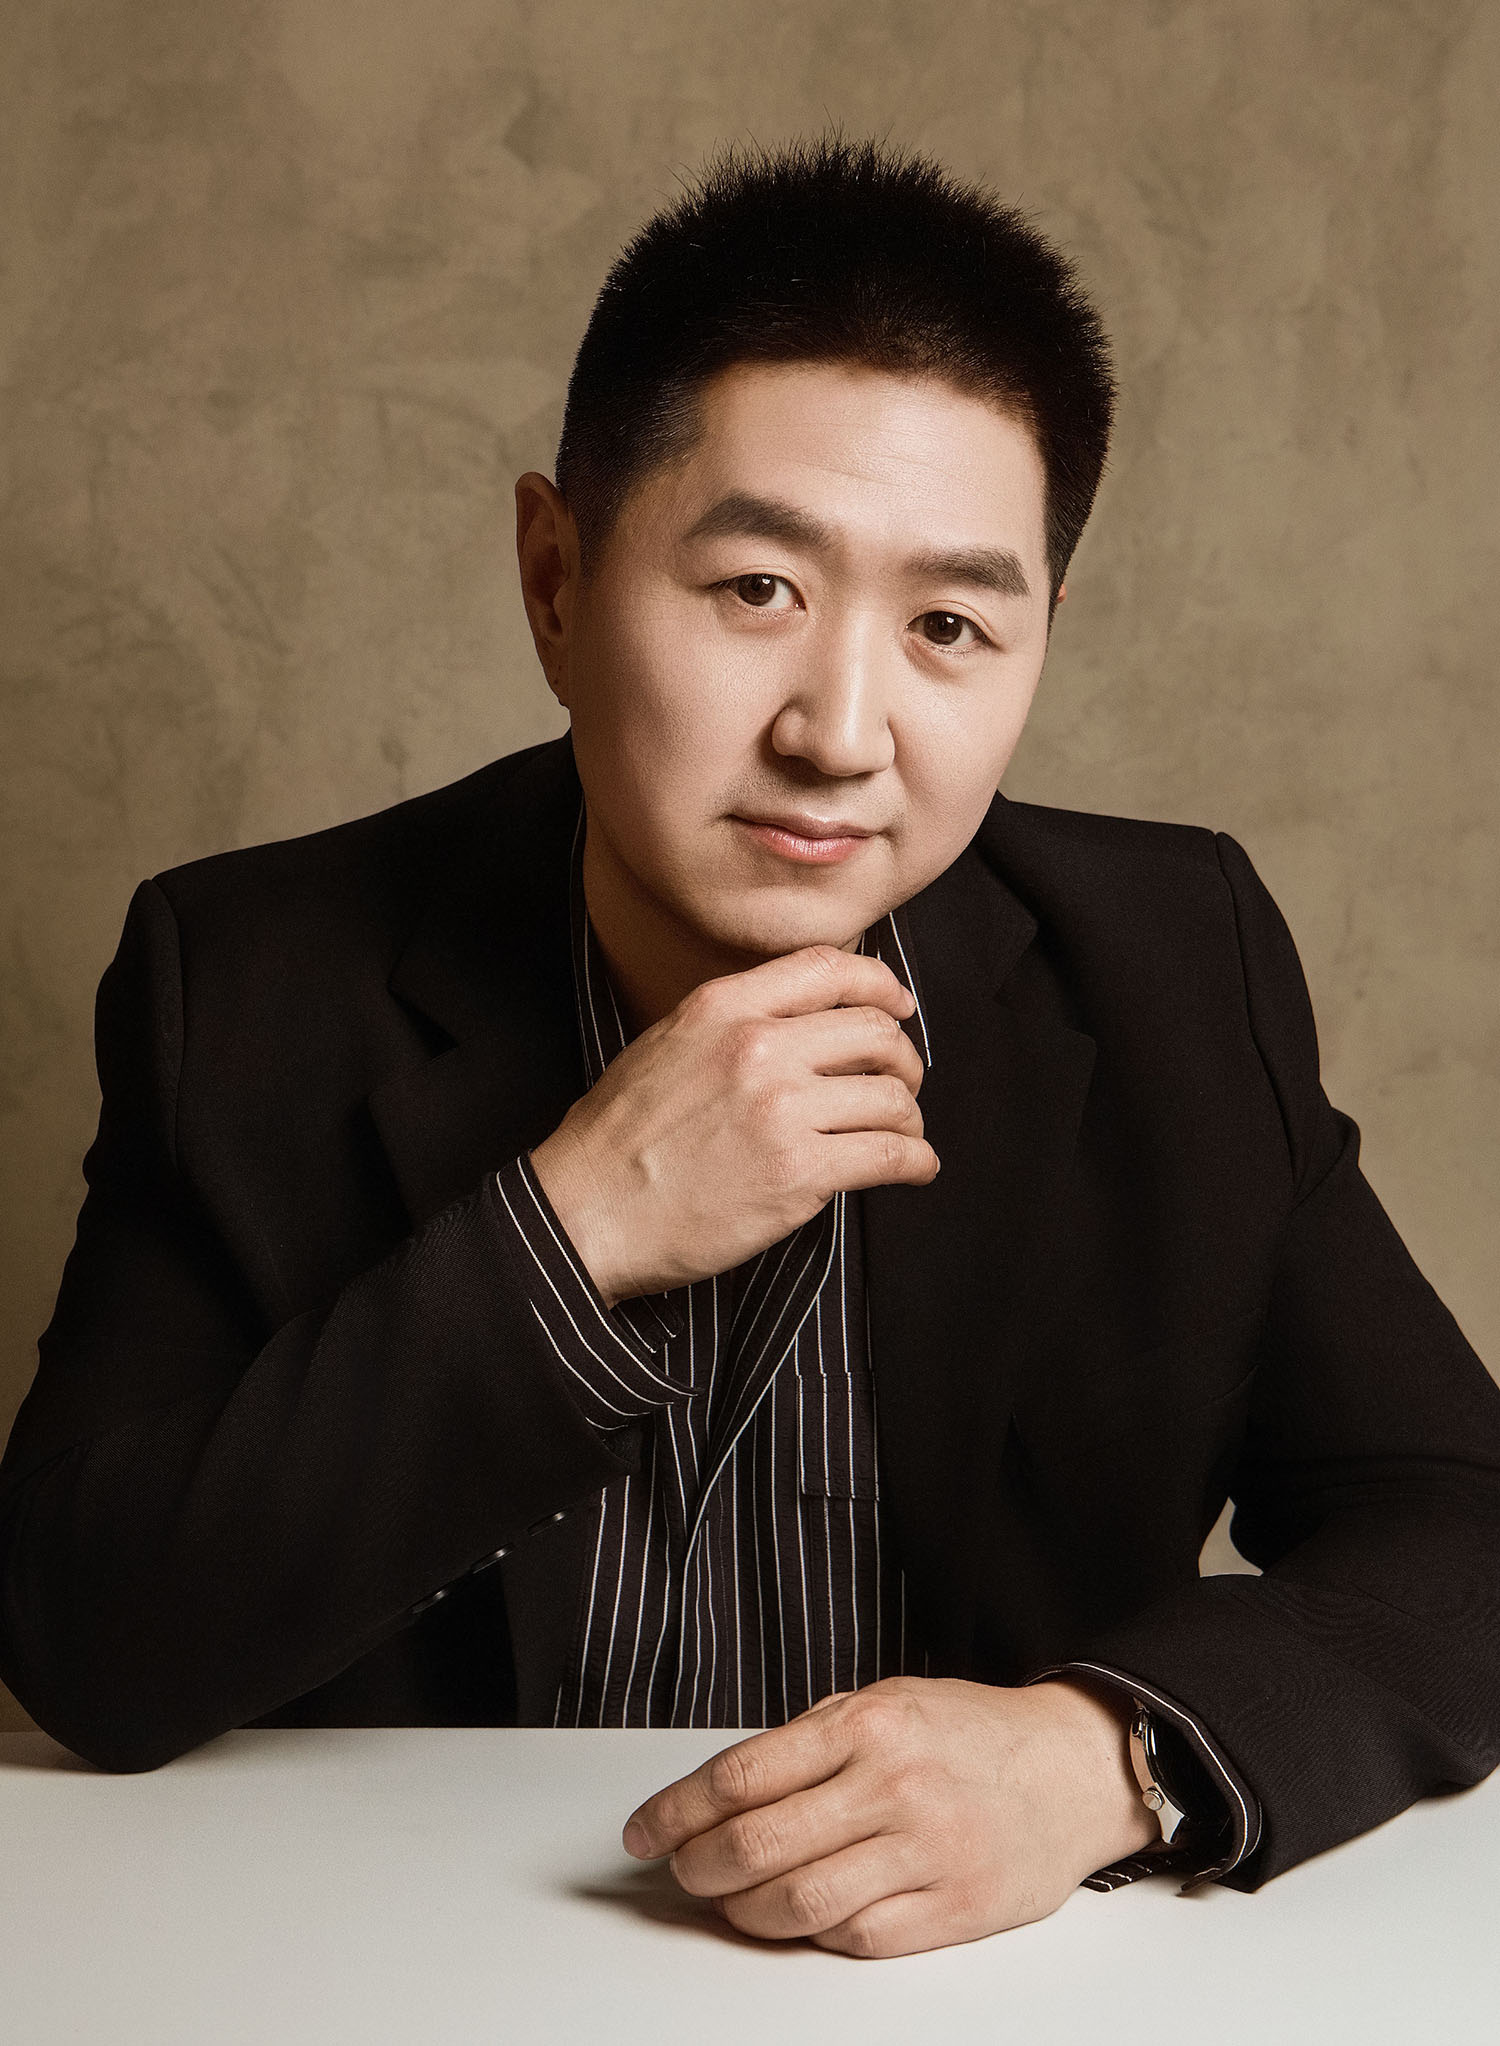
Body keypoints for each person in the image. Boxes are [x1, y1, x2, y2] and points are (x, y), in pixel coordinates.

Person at [2, 136, 1497, 1962]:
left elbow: (1459, 1527)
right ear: (556, 578)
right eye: (757, 590)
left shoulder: (1177, 962)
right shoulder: (251, 979)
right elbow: (85, 1634)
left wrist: (1098, 1757)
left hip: (987, 1987)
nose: (842, 732)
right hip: (425, 1957)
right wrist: (569, 1235)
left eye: (950, 624)